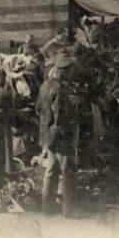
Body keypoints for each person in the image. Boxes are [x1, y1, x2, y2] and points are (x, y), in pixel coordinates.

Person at [37, 52, 77, 217]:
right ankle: (68, 211)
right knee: (68, 172)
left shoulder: (45, 85)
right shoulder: (61, 89)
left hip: (47, 134)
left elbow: (38, 108)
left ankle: (47, 208)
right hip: (60, 134)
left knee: (51, 170)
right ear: (63, 70)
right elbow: (60, 116)